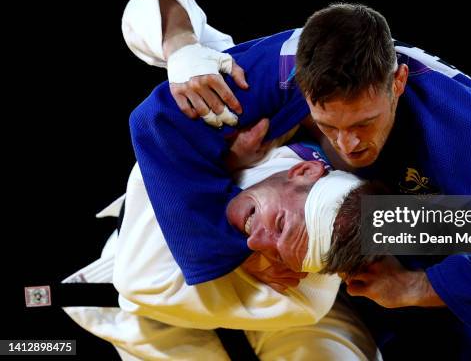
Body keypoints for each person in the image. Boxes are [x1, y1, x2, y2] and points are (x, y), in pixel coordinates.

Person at [122, 0, 471, 359]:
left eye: (365, 122)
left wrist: (416, 288)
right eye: (329, 124)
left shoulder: (457, 128)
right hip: (339, 242)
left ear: (397, 81)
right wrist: (236, 247)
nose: (350, 143)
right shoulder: (282, 68)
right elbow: (160, 119)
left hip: (430, 228)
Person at [63, 143, 381, 360]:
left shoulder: (303, 294)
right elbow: (175, 95)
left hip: (165, 294)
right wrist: (180, 43)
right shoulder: (288, 105)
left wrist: (421, 287)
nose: (256, 243)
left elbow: (138, 284)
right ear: (303, 171)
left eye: (282, 257)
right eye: (281, 223)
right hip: (130, 281)